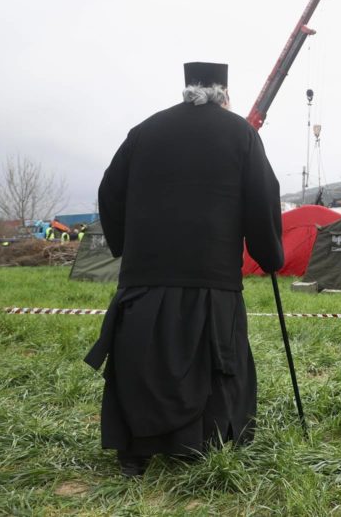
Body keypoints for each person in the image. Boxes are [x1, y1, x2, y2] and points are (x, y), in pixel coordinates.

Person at [84, 62, 283, 478]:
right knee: (211, 364)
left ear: (188, 90)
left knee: (143, 359)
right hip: (211, 277)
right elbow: (262, 198)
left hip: (145, 276)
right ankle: (205, 444)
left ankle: (134, 454)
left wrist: (126, 246)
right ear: (223, 95)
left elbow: (109, 191)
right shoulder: (240, 133)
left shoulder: (145, 131)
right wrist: (270, 255)